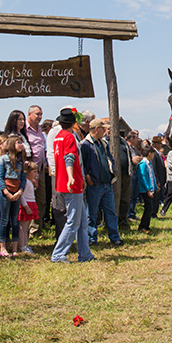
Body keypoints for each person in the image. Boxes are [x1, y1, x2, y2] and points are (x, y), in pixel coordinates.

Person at [50, 108, 94, 263]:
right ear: (74, 122)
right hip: (72, 182)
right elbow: (69, 158)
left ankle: (85, 253)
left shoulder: (58, 137)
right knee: (73, 221)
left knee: (82, 220)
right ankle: (58, 254)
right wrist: (71, 177)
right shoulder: (69, 137)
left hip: (64, 181)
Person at [81, 118, 122, 246]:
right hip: (95, 184)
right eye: (103, 129)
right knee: (92, 213)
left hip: (106, 183)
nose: (105, 131)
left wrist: (112, 171)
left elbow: (109, 158)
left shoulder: (103, 144)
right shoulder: (85, 145)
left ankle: (115, 237)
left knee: (111, 212)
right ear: (97, 129)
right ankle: (92, 238)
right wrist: (88, 177)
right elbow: (83, 163)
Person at [25, 105, 48, 235]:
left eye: (41, 114)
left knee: (41, 199)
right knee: (28, 198)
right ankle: (27, 229)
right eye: (37, 114)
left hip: (40, 169)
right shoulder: (25, 129)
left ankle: (36, 228)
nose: (39, 117)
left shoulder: (39, 129)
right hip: (29, 170)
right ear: (30, 113)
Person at [134, 142, 158, 234]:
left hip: (151, 189)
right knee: (148, 208)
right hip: (145, 190)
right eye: (153, 154)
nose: (153, 156)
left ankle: (146, 225)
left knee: (150, 208)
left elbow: (152, 177)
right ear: (149, 154)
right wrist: (148, 190)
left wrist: (155, 187)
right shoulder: (143, 164)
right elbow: (143, 178)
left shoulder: (149, 163)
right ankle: (142, 226)